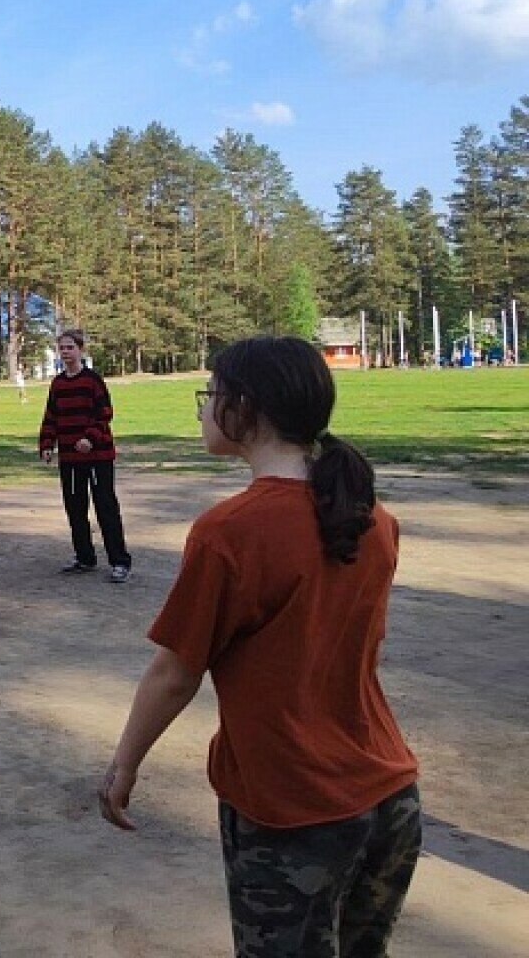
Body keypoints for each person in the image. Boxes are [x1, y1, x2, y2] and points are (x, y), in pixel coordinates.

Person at [99, 336, 420, 957]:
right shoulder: (372, 517)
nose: (203, 409)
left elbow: (175, 673)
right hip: (390, 799)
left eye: (210, 395)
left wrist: (124, 766)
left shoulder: (231, 531)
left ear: (245, 408)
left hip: (293, 807)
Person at [38, 328, 132, 583]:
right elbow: (51, 417)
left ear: (80, 350)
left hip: (98, 457)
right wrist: (47, 444)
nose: (66, 352)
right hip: (70, 459)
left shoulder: (92, 381)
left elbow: (105, 413)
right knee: (75, 508)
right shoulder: (58, 384)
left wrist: (90, 439)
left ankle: (119, 561)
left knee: (105, 507)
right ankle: (84, 557)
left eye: (70, 347)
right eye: (62, 348)